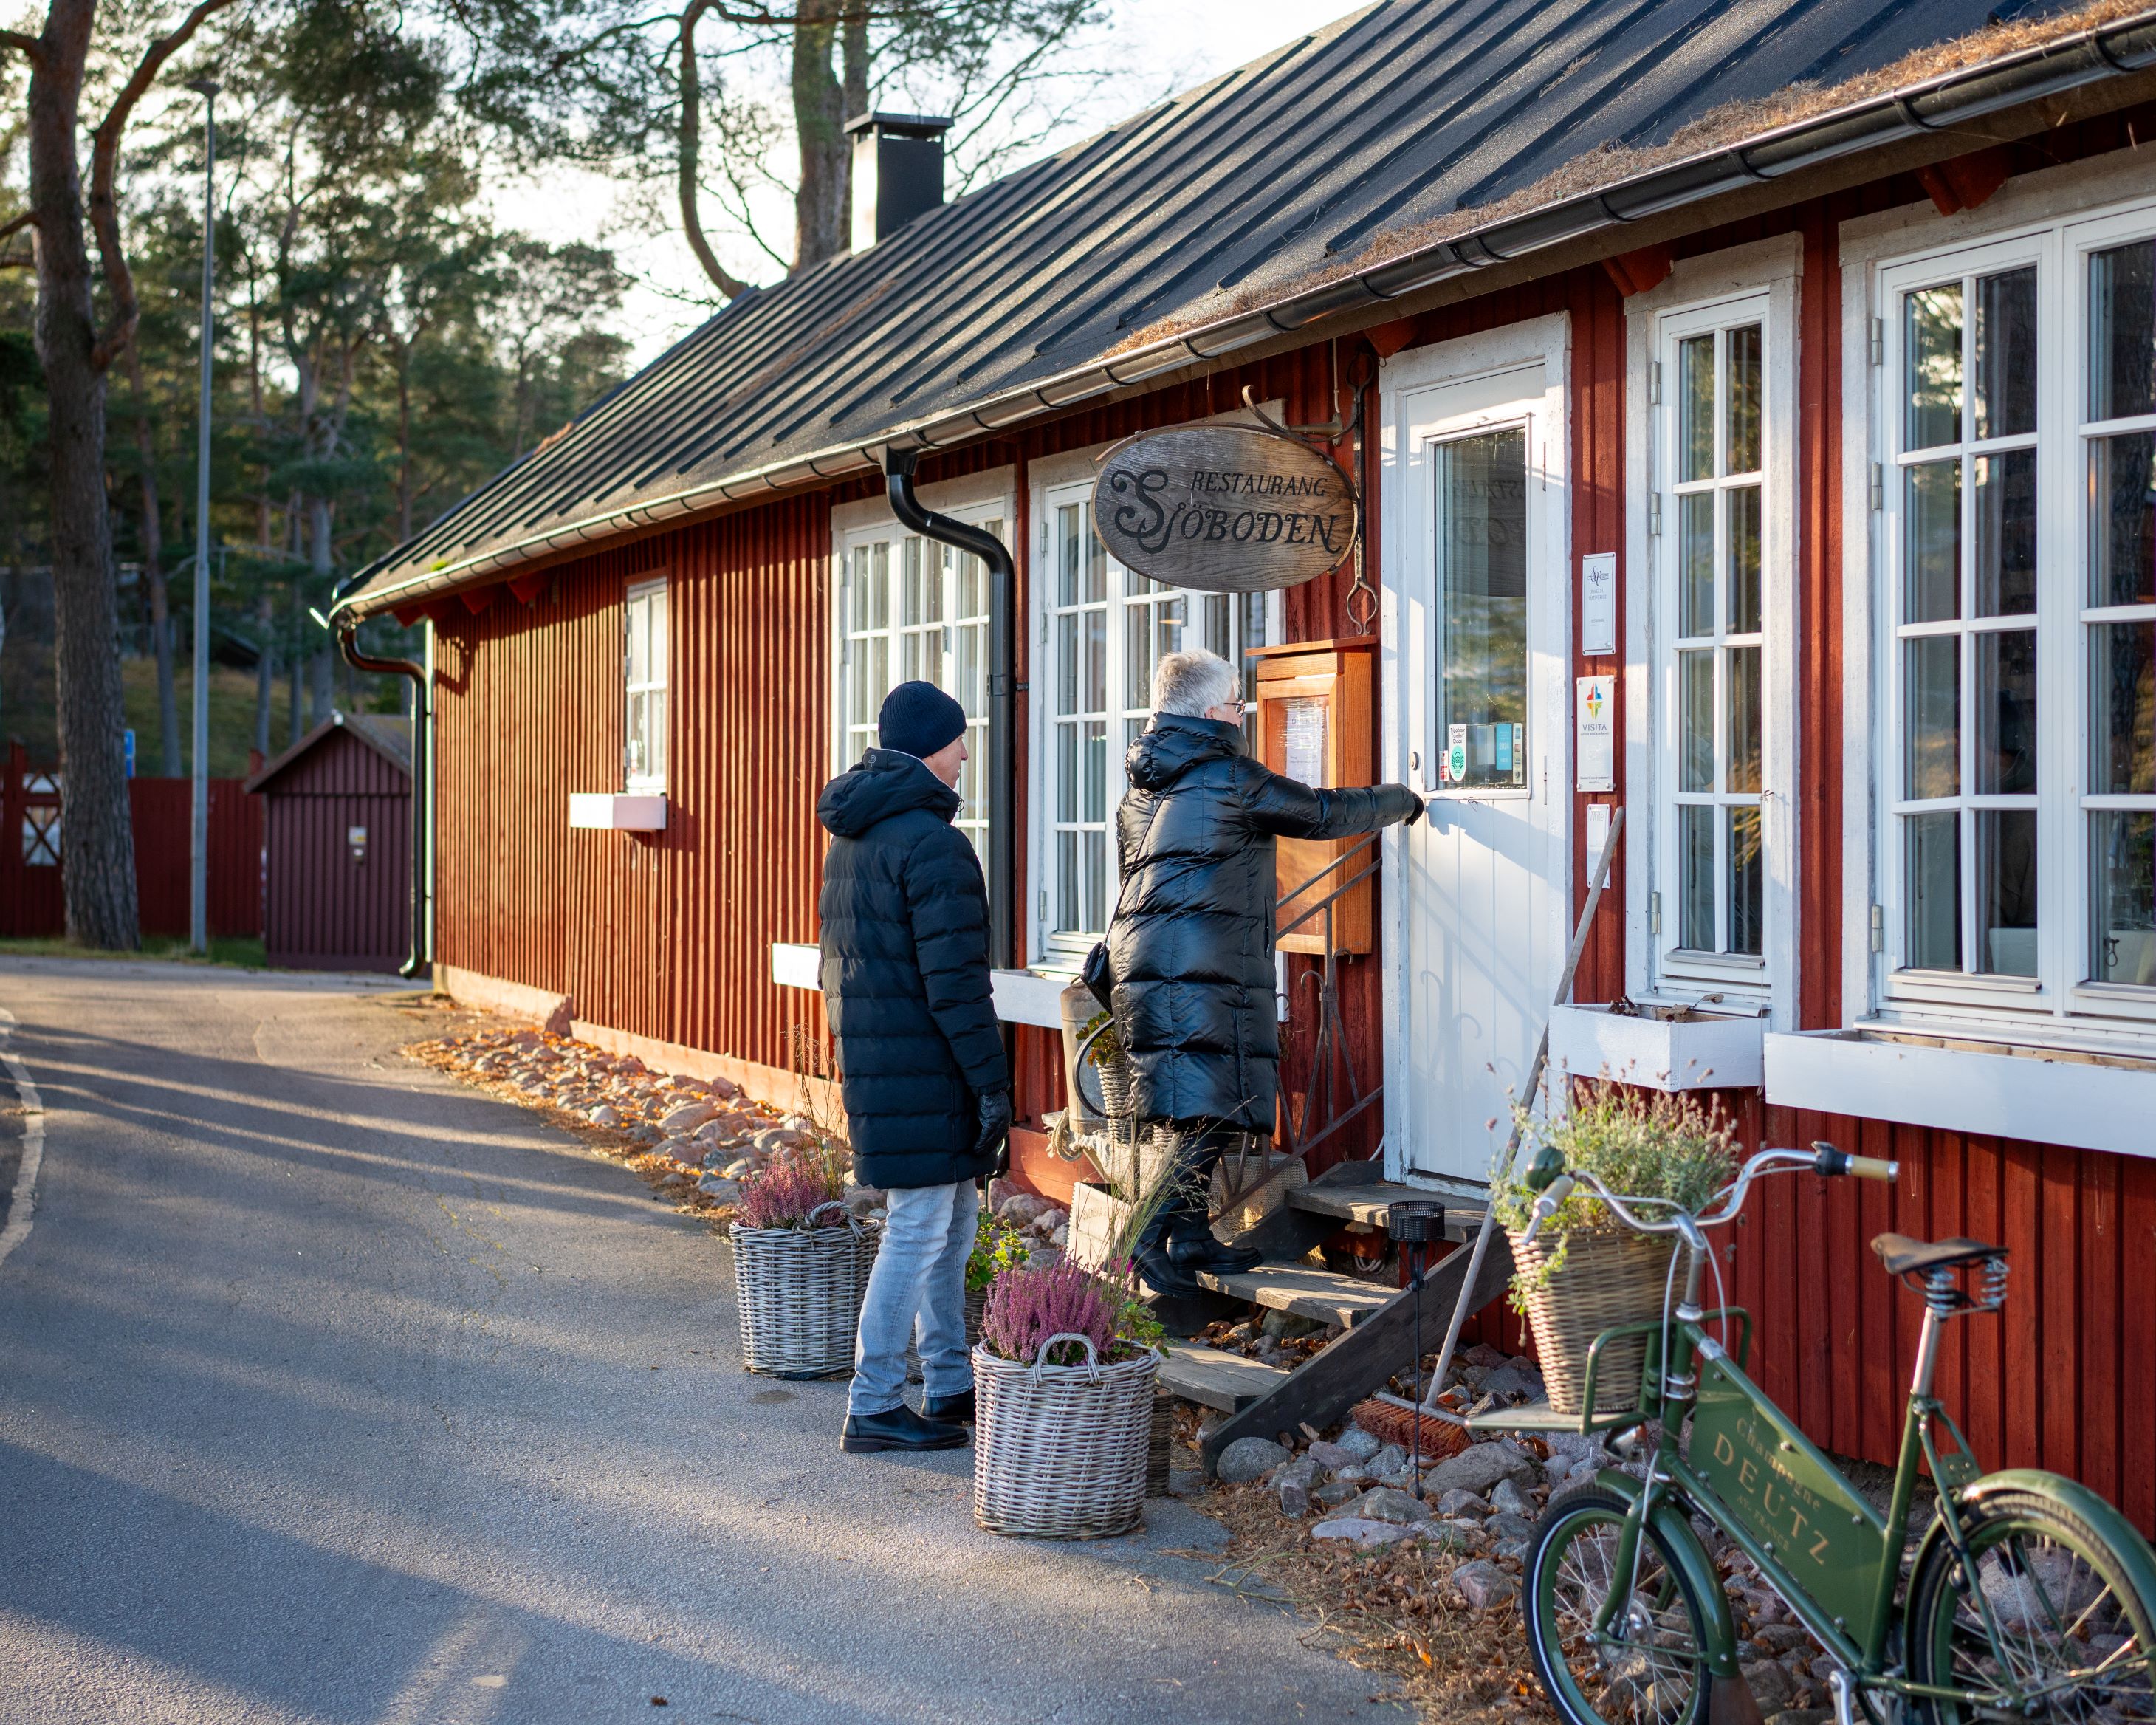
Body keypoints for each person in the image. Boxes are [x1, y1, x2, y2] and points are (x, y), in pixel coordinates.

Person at [1107, 648, 1423, 1298]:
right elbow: (1323, 813)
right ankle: (1141, 1239)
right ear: (1209, 713)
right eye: (1237, 703)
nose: (1243, 713)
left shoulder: (1141, 789)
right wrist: (1405, 801)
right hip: (1200, 967)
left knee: (1208, 1108)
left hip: (1152, 964)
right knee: (1217, 1113)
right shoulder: (1228, 776)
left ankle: (1191, 1236)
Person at [817, 680, 1013, 1453]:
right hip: (926, 1068)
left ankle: (949, 1382)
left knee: (952, 1219)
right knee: (919, 1226)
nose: (966, 754)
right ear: (932, 746)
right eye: (959, 740)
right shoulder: (932, 843)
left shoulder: (856, 835)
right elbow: (956, 983)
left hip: (881, 1062)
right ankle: (871, 1401)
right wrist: (992, 1081)